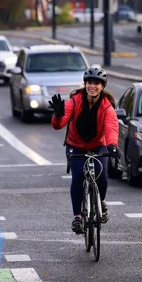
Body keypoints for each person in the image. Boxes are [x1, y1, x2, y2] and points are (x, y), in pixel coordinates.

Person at [49, 66, 120, 234]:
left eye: (96, 83)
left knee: (101, 175)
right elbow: (58, 125)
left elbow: (111, 127)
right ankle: (77, 217)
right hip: (76, 146)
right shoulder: (75, 101)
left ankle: (101, 201)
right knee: (78, 176)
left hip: (98, 145)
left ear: (103, 86)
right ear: (85, 84)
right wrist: (58, 116)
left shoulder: (106, 106)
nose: (92, 86)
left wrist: (112, 145)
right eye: (89, 83)